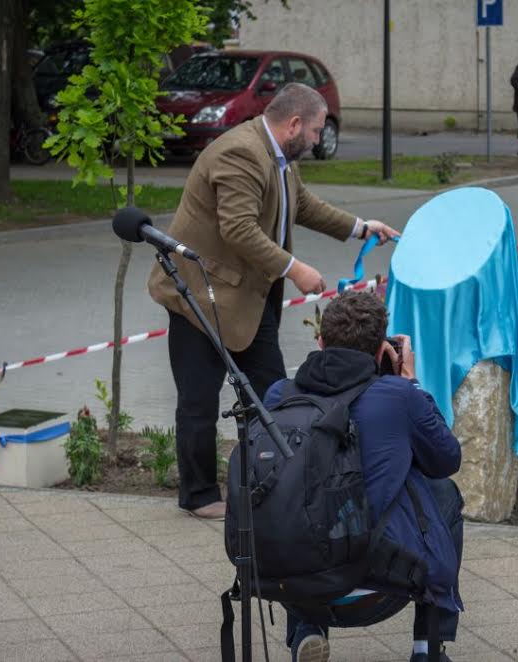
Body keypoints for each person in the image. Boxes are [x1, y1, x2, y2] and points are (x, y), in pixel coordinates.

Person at [147, 82, 400, 521]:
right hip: (201, 296)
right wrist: (295, 269)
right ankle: (199, 495)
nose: (319, 140)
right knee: (198, 400)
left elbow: (303, 205)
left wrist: (360, 227)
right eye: (317, 131)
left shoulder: (279, 156)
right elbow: (239, 228)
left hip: (249, 297)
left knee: (271, 393)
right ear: (294, 124)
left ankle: (276, 482)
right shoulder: (241, 153)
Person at [265, 291, 464, 662]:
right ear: (380, 351)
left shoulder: (281, 394)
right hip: (382, 586)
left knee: (298, 494)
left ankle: (307, 630)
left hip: (293, 584)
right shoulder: (399, 396)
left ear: (320, 342)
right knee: (443, 492)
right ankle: (427, 647)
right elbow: (446, 459)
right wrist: (411, 383)